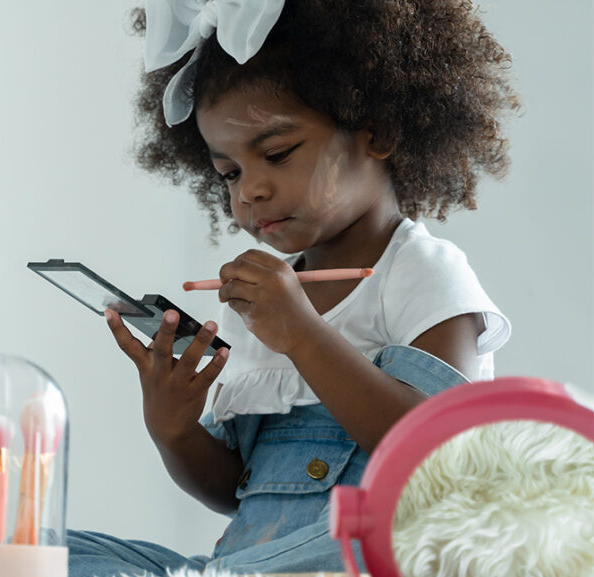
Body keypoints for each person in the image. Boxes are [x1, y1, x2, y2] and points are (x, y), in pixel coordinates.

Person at [67, 0, 518, 574]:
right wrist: (174, 430)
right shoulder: (259, 302)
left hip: (366, 553)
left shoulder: (422, 272)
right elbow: (242, 494)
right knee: (33, 550)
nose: (248, 191)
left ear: (375, 131)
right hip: (251, 563)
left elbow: (438, 452)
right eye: (228, 172)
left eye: (276, 154)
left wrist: (303, 335)